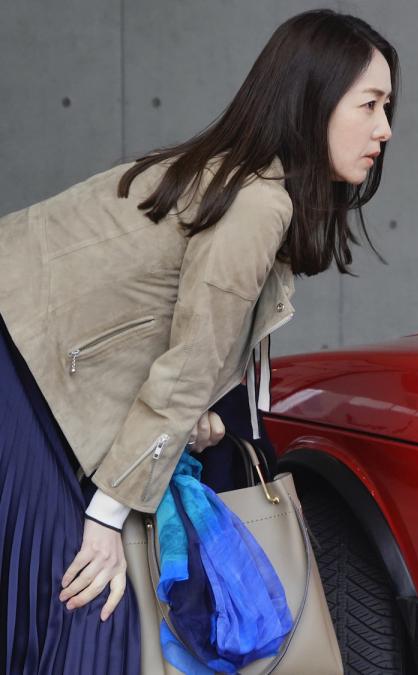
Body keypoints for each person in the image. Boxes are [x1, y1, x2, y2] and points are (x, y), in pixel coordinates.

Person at [0, 9, 397, 672]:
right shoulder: (256, 202)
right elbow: (185, 363)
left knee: (72, 613)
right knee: (84, 610)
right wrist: (108, 512)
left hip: (34, 372)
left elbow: (173, 339)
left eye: (389, 106)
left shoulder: (231, 176)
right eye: (370, 104)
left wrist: (199, 425)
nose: (385, 128)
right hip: (20, 372)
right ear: (315, 101)